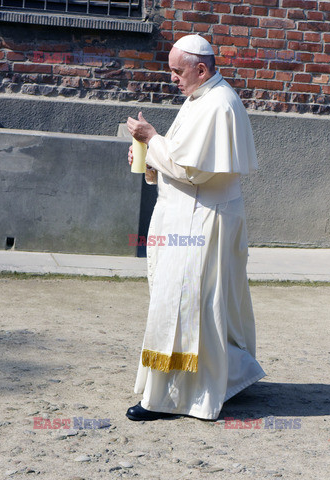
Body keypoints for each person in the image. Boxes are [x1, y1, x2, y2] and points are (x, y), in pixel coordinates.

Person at [126, 34, 265, 421]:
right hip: (192, 217)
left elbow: (192, 170)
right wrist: (152, 159)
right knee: (203, 306)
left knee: (185, 305)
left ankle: (171, 398)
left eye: (177, 70)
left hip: (201, 223)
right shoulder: (200, 99)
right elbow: (183, 157)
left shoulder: (218, 104)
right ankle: (220, 379)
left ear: (201, 69)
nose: (172, 77)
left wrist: (152, 140)